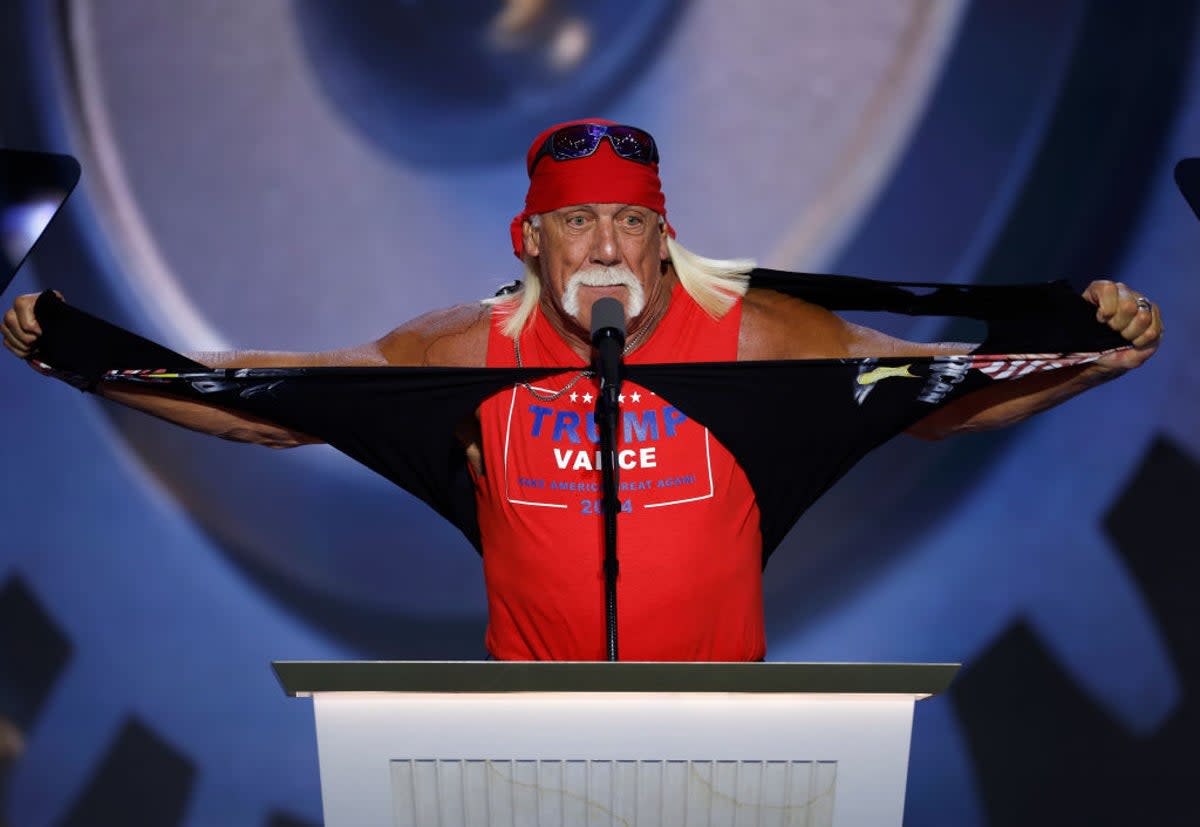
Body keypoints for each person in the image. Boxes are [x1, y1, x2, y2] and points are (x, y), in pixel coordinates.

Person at [1, 119, 1163, 661]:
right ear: (532, 241)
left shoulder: (766, 337)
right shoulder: (462, 352)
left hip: (730, 737)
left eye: (629, 220)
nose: (603, 242)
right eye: (576, 220)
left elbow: (954, 395)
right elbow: (258, 405)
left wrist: (1093, 355)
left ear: (664, 242)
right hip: (522, 737)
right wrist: (85, 355)